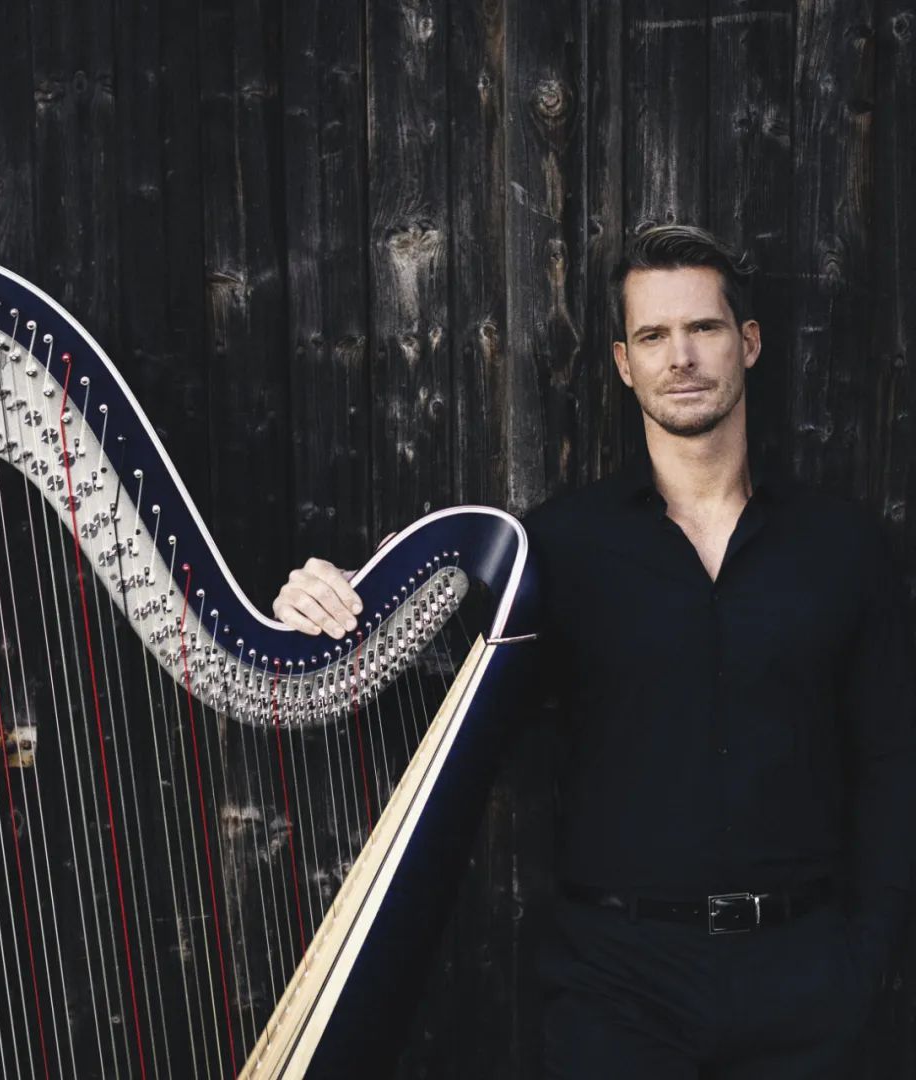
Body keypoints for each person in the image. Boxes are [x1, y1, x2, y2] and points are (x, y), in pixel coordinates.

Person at [271, 225, 916, 1078]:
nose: (681, 357)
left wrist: (865, 960)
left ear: (749, 342)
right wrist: (327, 608)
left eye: (705, 327)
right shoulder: (556, 549)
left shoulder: (843, 546)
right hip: (618, 992)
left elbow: (892, 762)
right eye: (653, 336)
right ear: (623, 363)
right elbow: (441, 701)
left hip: (808, 985)